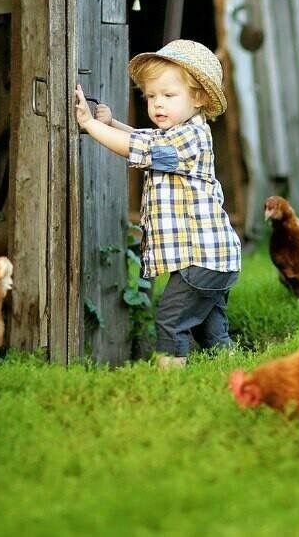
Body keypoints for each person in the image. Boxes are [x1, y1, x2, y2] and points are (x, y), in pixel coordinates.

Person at [74, 39, 242, 368]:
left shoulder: (189, 137)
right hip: (215, 258)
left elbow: (143, 151)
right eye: (151, 96)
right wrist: (112, 124)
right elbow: (146, 137)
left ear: (199, 98)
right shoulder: (180, 131)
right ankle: (233, 374)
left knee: (170, 321)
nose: (157, 105)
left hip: (202, 257)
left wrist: (90, 126)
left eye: (168, 95)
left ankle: (168, 386)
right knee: (211, 332)